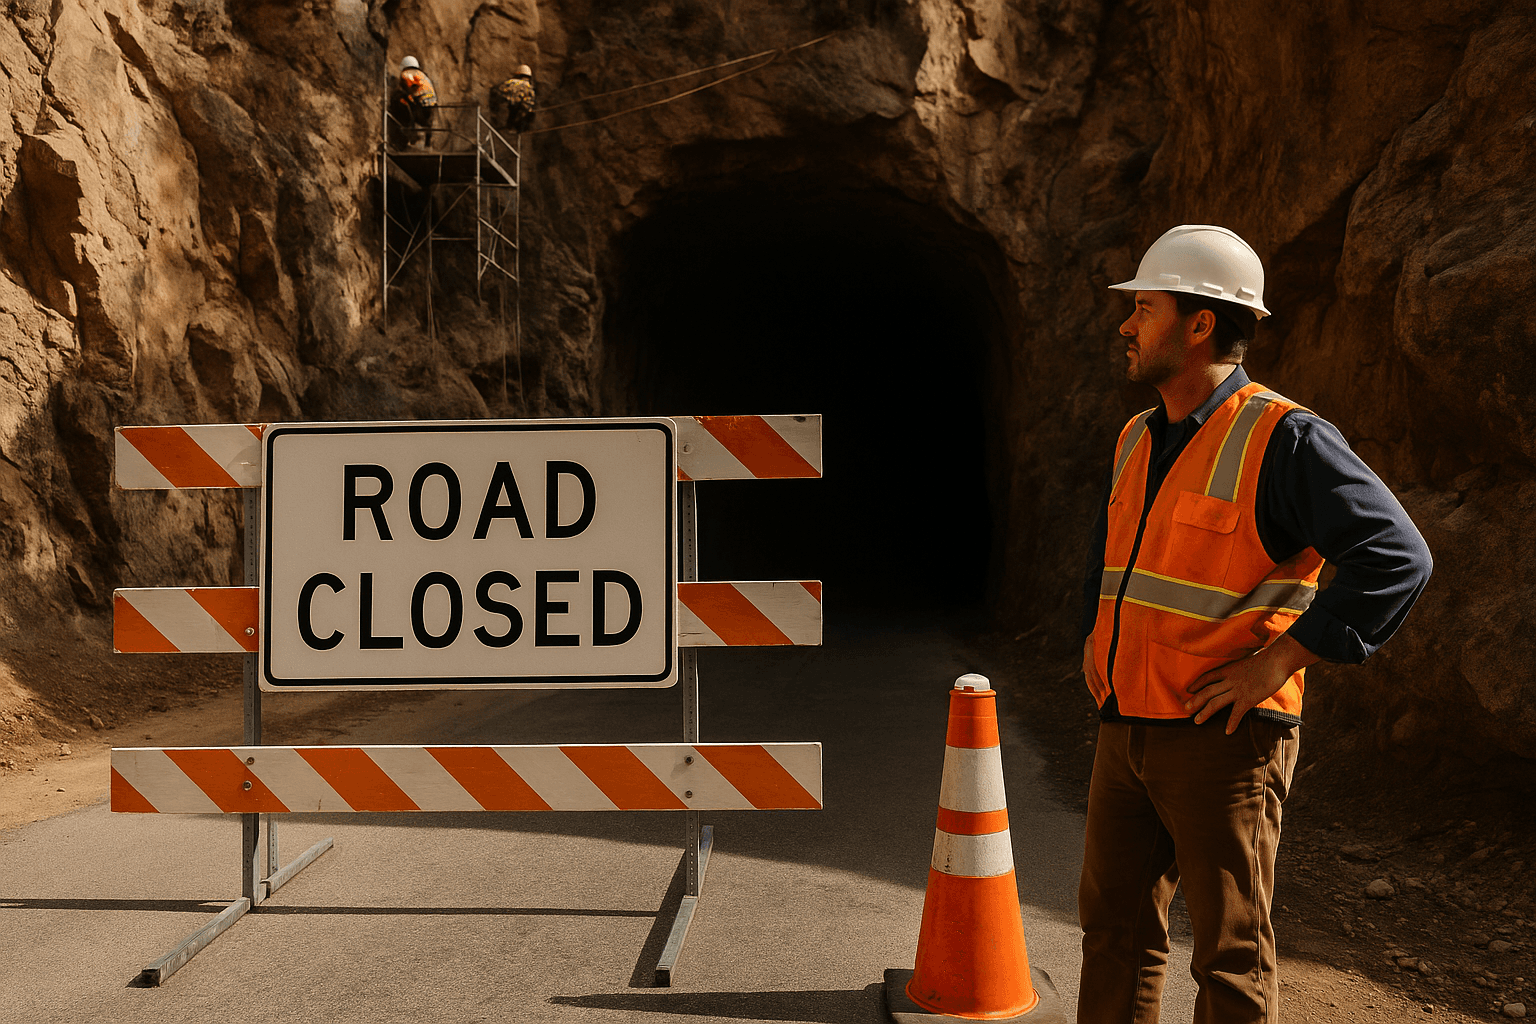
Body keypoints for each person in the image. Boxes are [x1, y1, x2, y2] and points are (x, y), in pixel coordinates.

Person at [1077, 224, 1432, 1023]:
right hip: (1125, 726)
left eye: (1145, 307)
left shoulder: (1286, 437)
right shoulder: (1136, 438)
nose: (1127, 325)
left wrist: (1279, 663)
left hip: (1224, 737)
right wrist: (1099, 640)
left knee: (1228, 957)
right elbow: (1124, 569)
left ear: (1201, 323)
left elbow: (1398, 556)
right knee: (1113, 933)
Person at [393, 55, 437, 148]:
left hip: (421, 102)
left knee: (406, 107)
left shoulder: (406, 73)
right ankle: (427, 143)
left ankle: (410, 138)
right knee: (428, 123)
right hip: (432, 103)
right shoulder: (423, 75)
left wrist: (404, 95)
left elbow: (411, 86)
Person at [490, 64, 537, 134]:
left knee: (513, 110)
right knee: (526, 112)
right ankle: (517, 129)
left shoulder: (509, 82)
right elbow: (530, 101)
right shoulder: (528, 86)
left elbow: (498, 90)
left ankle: (509, 126)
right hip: (521, 109)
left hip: (509, 105)